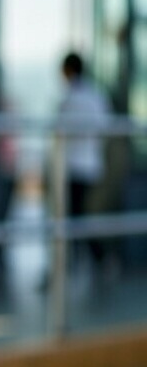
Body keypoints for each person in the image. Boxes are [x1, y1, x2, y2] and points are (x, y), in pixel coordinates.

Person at [58, 50, 112, 273]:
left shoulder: (71, 98)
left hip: (75, 166)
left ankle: (88, 258)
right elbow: (106, 127)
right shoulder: (95, 94)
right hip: (92, 164)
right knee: (77, 215)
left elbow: (60, 129)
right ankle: (86, 259)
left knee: (74, 216)